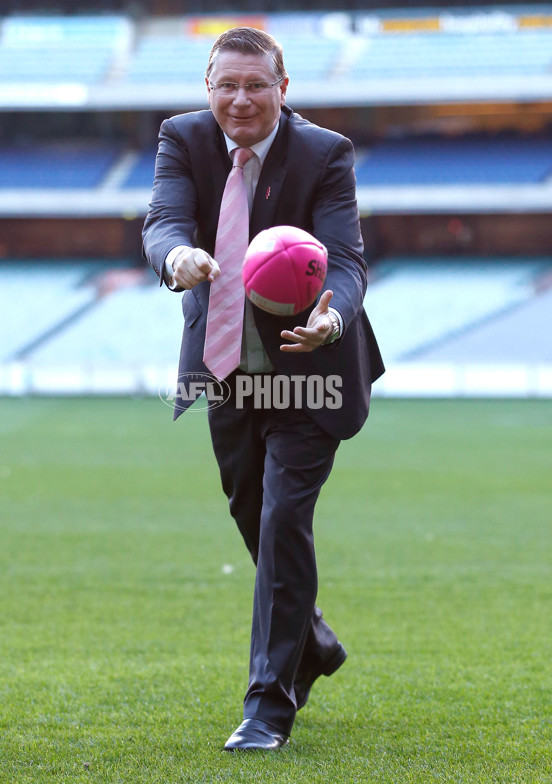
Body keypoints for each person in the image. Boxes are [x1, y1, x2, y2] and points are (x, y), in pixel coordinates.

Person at [142, 26, 384, 751]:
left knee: (283, 518)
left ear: (284, 88)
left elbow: (345, 259)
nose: (240, 98)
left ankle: (268, 704)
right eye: (226, 84)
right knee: (252, 514)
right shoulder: (182, 138)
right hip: (226, 367)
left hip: (311, 366)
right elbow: (162, 219)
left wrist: (332, 316)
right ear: (207, 88)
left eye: (256, 85)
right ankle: (312, 642)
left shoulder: (324, 153)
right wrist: (178, 255)